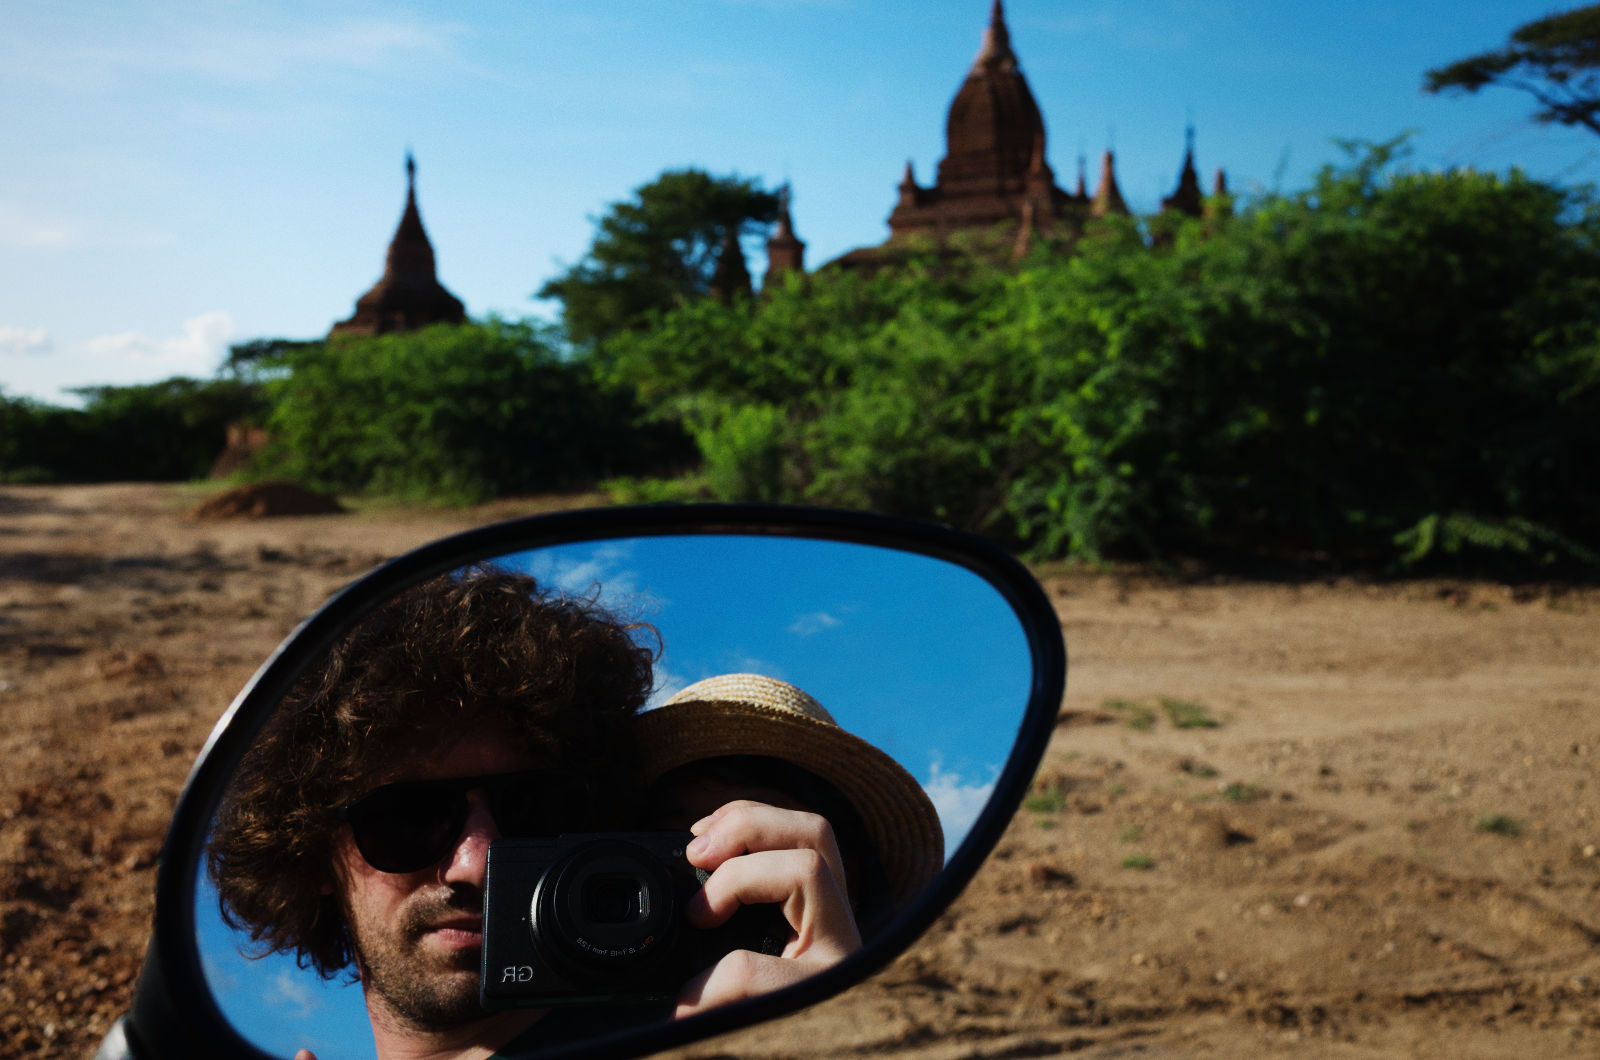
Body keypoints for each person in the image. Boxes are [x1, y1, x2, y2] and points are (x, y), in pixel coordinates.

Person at [205, 567, 864, 1060]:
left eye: (533, 809)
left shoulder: (699, 1025)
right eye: (406, 818)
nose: (476, 862)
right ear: (311, 850)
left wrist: (824, 1020)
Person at [632, 670, 946, 1012]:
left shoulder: (915, 1014)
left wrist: (837, 1010)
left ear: (845, 877)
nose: (708, 876)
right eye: (671, 843)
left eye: (752, 844)